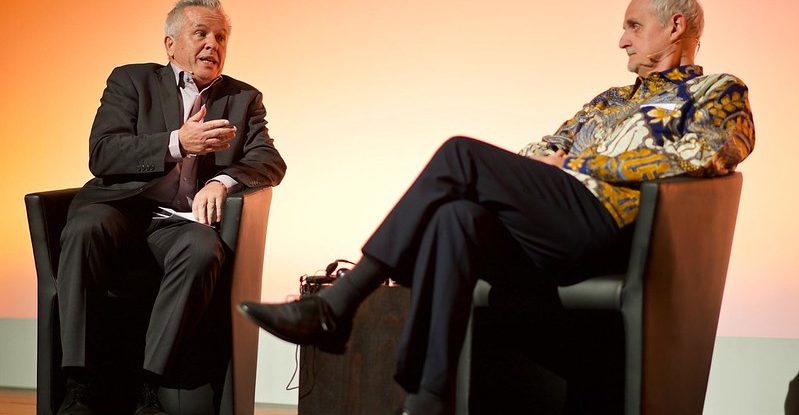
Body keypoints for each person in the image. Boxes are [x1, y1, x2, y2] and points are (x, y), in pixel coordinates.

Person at [239, 0, 753, 413]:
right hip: (557, 221)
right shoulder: (609, 99)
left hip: (608, 223)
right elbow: (544, 146)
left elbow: (711, 152)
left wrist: (585, 163)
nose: (622, 39)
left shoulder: (716, 91)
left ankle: (339, 304)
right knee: (455, 218)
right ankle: (427, 398)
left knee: (461, 153)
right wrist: (553, 160)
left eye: (634, 26)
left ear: (675, 26)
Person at [55, 1, 286, 414]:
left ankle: (150, 386)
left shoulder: (243, 97)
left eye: (220, 37)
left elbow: (269, 160)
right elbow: (103, 153)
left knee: (202, 249)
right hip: (120, 209)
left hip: (177, 223)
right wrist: (178, 142)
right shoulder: (131, 81)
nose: (212, 45)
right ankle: (79, 385)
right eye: (201, 34)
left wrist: (221, 181)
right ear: (170, 44)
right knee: (85, 227)